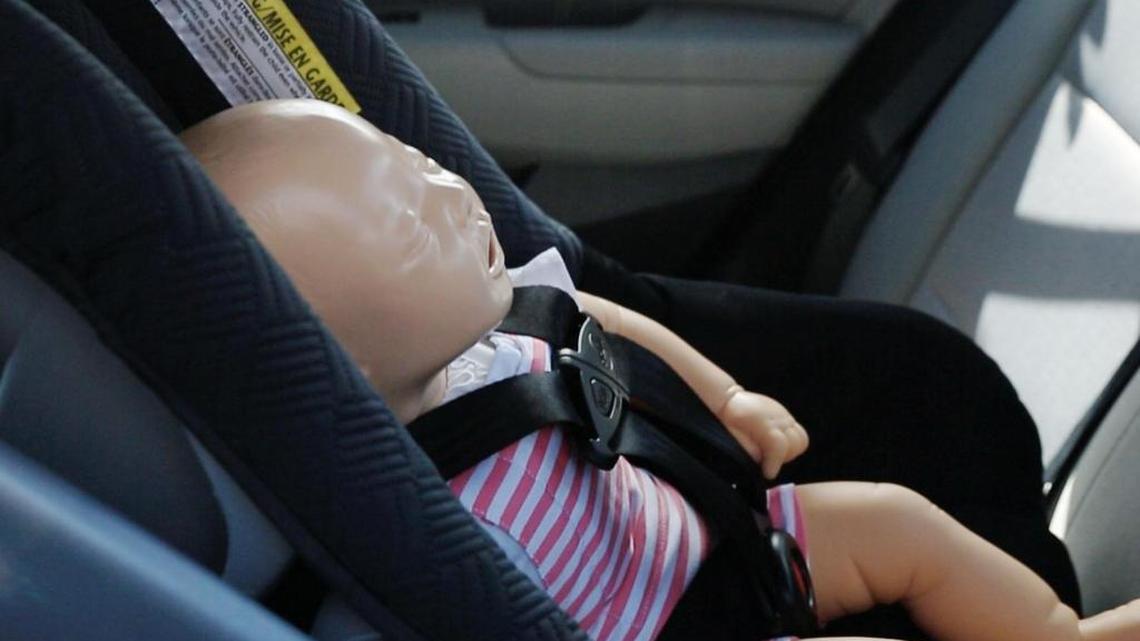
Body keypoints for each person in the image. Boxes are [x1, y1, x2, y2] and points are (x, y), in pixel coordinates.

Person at [180, 99, 1139, 641]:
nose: (453, 193)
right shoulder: (415, 516)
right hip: (681, 629)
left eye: (415, 160)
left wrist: (726, 396)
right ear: (331, 367)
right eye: (410, 222)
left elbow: (602, 321)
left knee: (893, 517)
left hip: (725, 538)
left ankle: (1056, 632)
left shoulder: (491, 314)